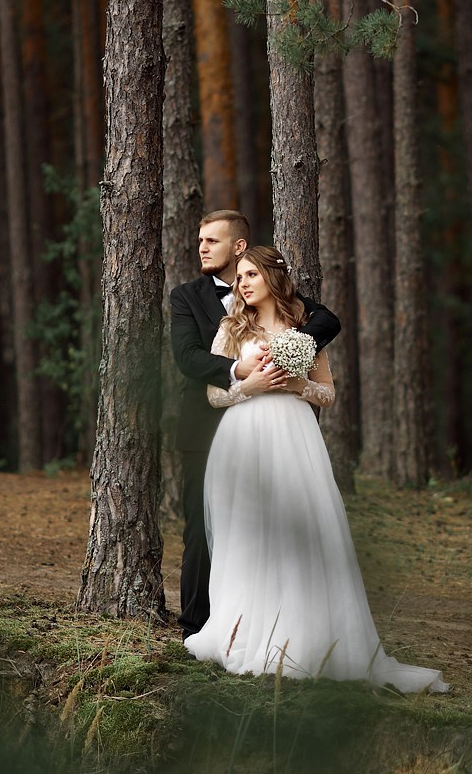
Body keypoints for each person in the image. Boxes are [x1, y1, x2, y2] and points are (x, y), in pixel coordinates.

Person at [183, 245, 447, 694]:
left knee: (300, 530)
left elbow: (327, 394)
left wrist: (297, 383)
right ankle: (242, 633)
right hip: (241, 438)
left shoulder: (304, 329)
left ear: (272, 277)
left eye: (251, 274)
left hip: (292, 437)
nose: (243, 283)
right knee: (246, 534)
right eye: (239, 276)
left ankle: (299, 639)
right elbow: (214, 395)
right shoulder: (230, 328)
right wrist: (249, 385)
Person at [167, 211, 339, 637]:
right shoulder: (188, 297)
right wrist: (245, 376)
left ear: (239, 246)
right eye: (200, 240)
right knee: (207, 531)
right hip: (216, 429)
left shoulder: (301, 315)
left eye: (212, 241)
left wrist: (295, 367)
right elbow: (188, 359)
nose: (202, 247)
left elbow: (327, 324)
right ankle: (200, 626)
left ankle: (293, 628)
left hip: (288, 435)